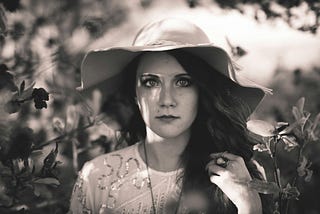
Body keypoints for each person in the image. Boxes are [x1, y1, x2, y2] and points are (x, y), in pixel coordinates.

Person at [69, 18, 273, 214]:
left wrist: (249, 204)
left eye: (183, 82)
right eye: (151, 82)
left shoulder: (242, 174)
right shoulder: (98, 177)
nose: (166, 100)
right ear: (134, 93)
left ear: (201, 91)